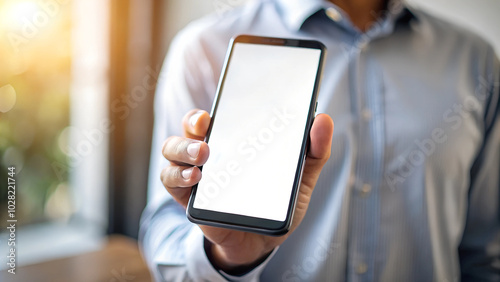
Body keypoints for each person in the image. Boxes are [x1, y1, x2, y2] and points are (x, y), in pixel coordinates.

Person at [139, 0, 500, 281]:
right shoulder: (204, 50)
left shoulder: (476, 61)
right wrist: (229, 257)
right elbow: (165, 238)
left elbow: (485, 255)